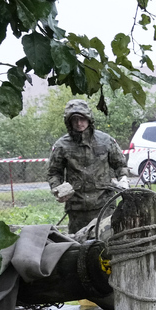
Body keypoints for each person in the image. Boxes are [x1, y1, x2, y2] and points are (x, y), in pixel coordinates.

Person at [47, 99, 130, 233]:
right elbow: (53, 172)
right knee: (79, 247)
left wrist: (123, 178)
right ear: (69, 122)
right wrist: (57, 189)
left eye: (82, 118)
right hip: (77, 208)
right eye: (74, 120)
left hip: (104, 205)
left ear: (89, 118)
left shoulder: (106, 141)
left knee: (105, 244)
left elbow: (120, 165)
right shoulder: (62, 146)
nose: (79, 123)